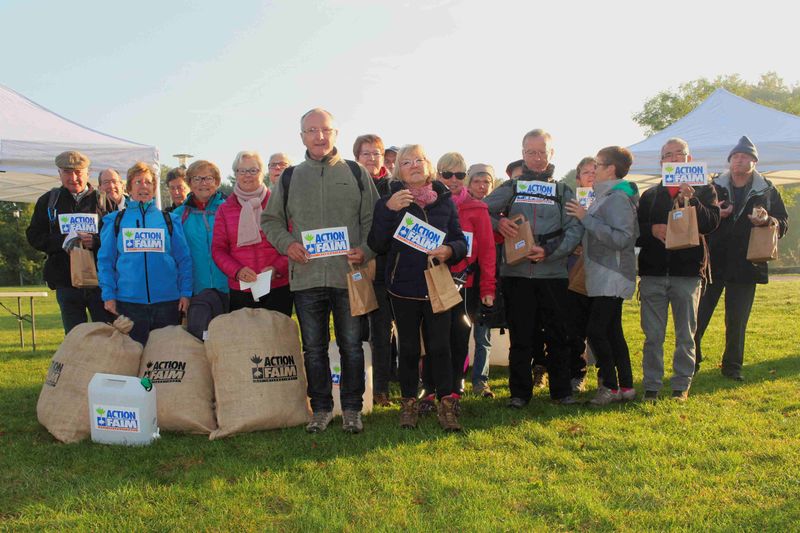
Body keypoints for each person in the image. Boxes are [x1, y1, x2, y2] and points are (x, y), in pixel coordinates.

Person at [262, 108, 378, 434]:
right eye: (312, 130)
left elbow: (372, 219)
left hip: (348, 276)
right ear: (302, 137)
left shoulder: (356, 173)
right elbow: (270, 221)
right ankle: (322, 409)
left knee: (351, 346)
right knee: (313, 348)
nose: (319, 136)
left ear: (335, 134)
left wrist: (366, 250)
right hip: (307, 277)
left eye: (325, 129)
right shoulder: (290, 177)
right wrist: (287, 245)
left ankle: (352, 409)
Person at [368, 144, 467, 431]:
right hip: (403, 287)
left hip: (437, 286)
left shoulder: (445, 202)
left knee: (441, 347)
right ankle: (409, 405)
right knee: (409, 349)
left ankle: (447, 406)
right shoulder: (388, 201)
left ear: (429, 165)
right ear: (398, 169)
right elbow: (376, 244)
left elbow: (460, 240)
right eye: (406, 161)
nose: (413, 165)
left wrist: (450, 249)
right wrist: (388, 211)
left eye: (419, 160)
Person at [484, 129, 582, 407]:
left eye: (542, 152)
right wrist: (498, 224)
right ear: (523, 153)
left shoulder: (563, 190)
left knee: (558, 335)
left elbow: (575, 229)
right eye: (531, 152)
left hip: (553, 273)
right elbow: (481, 210)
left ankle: (561, 392)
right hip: (517, 275)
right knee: (521, 336)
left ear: (552, 154)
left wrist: (550, 252)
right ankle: (519, 394)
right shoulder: (512, 187)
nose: (537, 158)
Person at [694, 136, 789, 381]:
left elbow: (783, 221)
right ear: (729, 162)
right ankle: (692, 360)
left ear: (754, 162)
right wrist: (718, 214)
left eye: (744, 157)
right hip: (712, 261)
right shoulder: (713, 187)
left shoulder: (767, 189)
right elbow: (700, 217)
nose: (739, 160)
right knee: (698, 315)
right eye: (735, 157)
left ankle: (732, 367)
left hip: (748, 262)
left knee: (737, 320)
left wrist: (768, 220)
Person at [637, 138, 720, 401]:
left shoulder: (705, 190)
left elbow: (711, 224)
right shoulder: (650, 195)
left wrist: (693, 201)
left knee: (686, 334)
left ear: (689, 158)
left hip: (687, 273)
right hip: (653, 272)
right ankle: (651, 385)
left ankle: (681, 385)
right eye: (667, 155)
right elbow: (634, 231)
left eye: (678, 154)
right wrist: (651, 230)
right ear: (661, 162)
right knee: (653, 336)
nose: (673, 159)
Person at [566, 146, 639, 405]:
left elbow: (622, 238)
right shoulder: (605, 195)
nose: (593, 169)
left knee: (596, 332)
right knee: (612, 332)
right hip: (602, 273)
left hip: (613, 274)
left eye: (597, 164)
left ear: (611, 169)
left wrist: (586, 219)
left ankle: (609, 386)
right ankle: (626, 387)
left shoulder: (617, 197)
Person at [97, 162, 193, 346]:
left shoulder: (169, 220)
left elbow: (184, 259)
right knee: (133, 359)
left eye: (148, 182)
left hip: (167, 302)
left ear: (154, 188)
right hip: (128, 303)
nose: (143, 186)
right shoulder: (115, 221)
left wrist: (185, 293)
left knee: (163, 359)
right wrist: (108, 294)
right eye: (138, 182)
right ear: (129, 187)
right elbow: (105, 262)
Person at [26, 151, 114, 334]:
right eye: (67, 172)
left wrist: (95, 241)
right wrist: (63, 240)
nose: (73, 178)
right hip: (66, 282)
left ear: (88, 173)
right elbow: (34, 235)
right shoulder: (48, 201)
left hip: (100, 282)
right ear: (59, 174)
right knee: (75, 337)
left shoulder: (103, 201)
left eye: (78, 172)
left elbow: (115, 238)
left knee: (107, 334)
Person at [212, 151, 291, 315]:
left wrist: (277, 268)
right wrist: (237, 271)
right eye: (242, 171)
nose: (247, 175)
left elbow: (292, 242)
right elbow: (218, 250)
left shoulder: (279, 204)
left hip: (277, 285)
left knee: (278, 338)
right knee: (246, 340)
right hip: (241, 289)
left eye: (253, 170)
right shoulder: (224, 209)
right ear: (235, 174)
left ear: (262, 174)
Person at [353, 134, 394, 406]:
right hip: (353, 263)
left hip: (385, 266)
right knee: (354, 330)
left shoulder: (393, 186)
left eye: (375, 153)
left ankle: (380, 388)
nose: (370, 158)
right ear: (357, 157)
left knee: (381, 330)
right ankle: (356, 386)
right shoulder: (347, 183)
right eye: (365, 153)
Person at [172, 160, 229, 300]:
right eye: (197, 179)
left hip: (228, 287)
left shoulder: (229, 210)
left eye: (208, 178)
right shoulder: (178, 215)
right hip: (195, 290)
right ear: (189, 183)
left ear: (217, 182)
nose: (203, 183)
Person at [565, 156, 597, 393]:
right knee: (574, 325)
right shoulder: (569, 201)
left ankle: (607, 376)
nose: (591, 175)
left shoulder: (610, 200)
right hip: (574, 269)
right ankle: (577, 373)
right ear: (579, 178)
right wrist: (573, 243)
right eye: (586, 172)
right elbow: (561, 229)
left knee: (601, 326)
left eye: (595, 170)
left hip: (602, 270)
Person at [466, 163, 497, 397]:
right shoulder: (457, 207)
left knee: (482, 335)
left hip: (482, 281)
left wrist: (489, 286)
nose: (482, 186)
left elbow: (488, 252)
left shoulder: (494, 210)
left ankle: (480, 380)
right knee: (456, 335)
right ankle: (455, 379)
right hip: (458, 283)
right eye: (477, 181)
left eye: (486, 181)